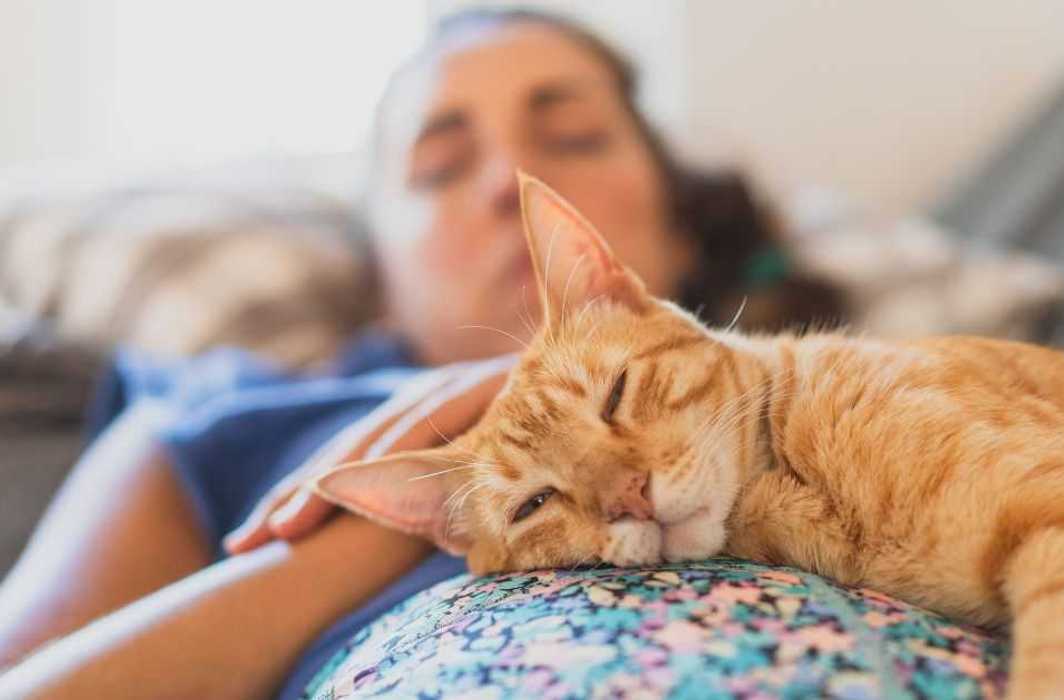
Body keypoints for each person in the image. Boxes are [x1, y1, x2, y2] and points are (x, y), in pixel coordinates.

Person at [0, 9, 844, 698]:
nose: (504, 180)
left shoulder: (862, 384)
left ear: (676, 212)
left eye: (576, 137)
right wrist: (446, 506)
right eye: (439, 167)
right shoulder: (206, 425)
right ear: (381, 266)